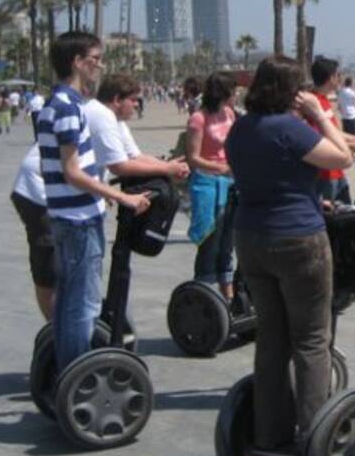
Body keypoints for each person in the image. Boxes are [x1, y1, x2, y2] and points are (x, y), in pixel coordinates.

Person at [224, 55, 354, 452]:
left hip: (251, 238)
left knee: (272, 338)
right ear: (290, 92)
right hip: (298, 240)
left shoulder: (240, 128)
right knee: (313, 339)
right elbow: (342, 157)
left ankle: (269, 434)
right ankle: (312, 437)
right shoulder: (290, 128)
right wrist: (320, 114)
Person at [14, 73, 187, 321]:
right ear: (118, 99)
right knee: (50, 272)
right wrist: (166, 169)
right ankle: (58, 332)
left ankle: (70, 328)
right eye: (134, 101)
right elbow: (120, 167)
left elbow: (132, 157)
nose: (138, 105)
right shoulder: (102, 116)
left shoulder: (114, 120)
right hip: (40, 191)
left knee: (77, 269)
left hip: (68, 192)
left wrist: (167, 166)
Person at [37, 31, 151, 371]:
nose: (100, 67)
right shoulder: (69, 108)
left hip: (67, 215)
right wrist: (121, 196)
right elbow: (73, 172)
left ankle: (64, 370)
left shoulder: (55, 104)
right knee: (83, 304)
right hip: (77, 219)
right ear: (77, 62)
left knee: (68, 300)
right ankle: (75, 374)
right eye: (95, 60)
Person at [186, 72, 238, 302]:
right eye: (233, 92)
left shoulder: (229, 114)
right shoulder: (199, 118)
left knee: (228, 240)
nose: (236, 96)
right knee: (210, 240)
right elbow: (193, 158)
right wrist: (220, 168)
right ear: (223, 93)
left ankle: (228, 293)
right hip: (207, 182)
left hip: (230, 182)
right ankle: (204, 290)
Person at [311, 56, 355, 205]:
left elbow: (334, 132)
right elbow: (322, 138)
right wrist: (354, 146)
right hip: (324, 174)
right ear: (330, 78)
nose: (340, 79)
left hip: (336, 172)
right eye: (338, 75)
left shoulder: (323, 100)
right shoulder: (314, 103)